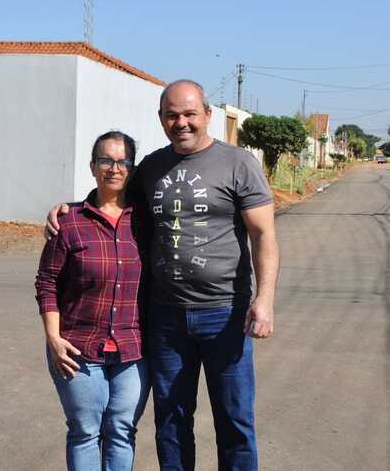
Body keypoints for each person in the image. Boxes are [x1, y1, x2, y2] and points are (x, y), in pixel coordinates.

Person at [47, 80, 279, 471]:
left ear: (208, 115)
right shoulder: (152, 167)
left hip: (224, 312)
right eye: (172, 115)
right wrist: (66, 208)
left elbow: (263, 233)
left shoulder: (238, 163)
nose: (182, 123)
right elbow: (110, 193)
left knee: (235, 419)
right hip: (165, 317)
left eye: (190, 114)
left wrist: (265, 299)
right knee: (171, 419)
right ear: (161, 119)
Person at [35, 131, 150, 471]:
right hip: (77, 349)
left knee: (122, 429)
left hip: (133, 350)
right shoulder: (70, 222)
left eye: (122, 161)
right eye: (105, 160)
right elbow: (47, 282)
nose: (114, 168)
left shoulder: (146, 222)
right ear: (92, 166)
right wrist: (53, 339)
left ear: (131, 167)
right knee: (85, 431)